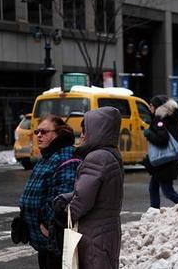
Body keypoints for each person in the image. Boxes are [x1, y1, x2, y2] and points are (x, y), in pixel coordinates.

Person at [53, 107, 124, 269]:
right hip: (107, 230)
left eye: (85, 131)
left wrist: (64, 213)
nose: (82, 135)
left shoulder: (97, 157)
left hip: (93, 234)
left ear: (97, 131)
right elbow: (98, 192)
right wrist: (68, 196)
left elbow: (83, 200)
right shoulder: (111, 154)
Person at [19, 114, 78, 269]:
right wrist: (24, 218)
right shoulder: (47, 156)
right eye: (37, 132)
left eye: (44, 132)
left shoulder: (65, 157)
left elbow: (62, 198)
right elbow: (37, 192)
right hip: (45, 241)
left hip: (56, 241)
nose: (39, 135)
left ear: (58, 133)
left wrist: (47, 225)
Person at [143, 95, 178, 209]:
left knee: (168, 191)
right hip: (169, 161)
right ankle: (154, 213)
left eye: (151, 106)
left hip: (163, 162)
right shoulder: (173, 121)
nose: (150, 108)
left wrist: (149, 134)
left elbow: (162, 140)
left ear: (157, 107)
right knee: (153, 187)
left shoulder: (159, 121)